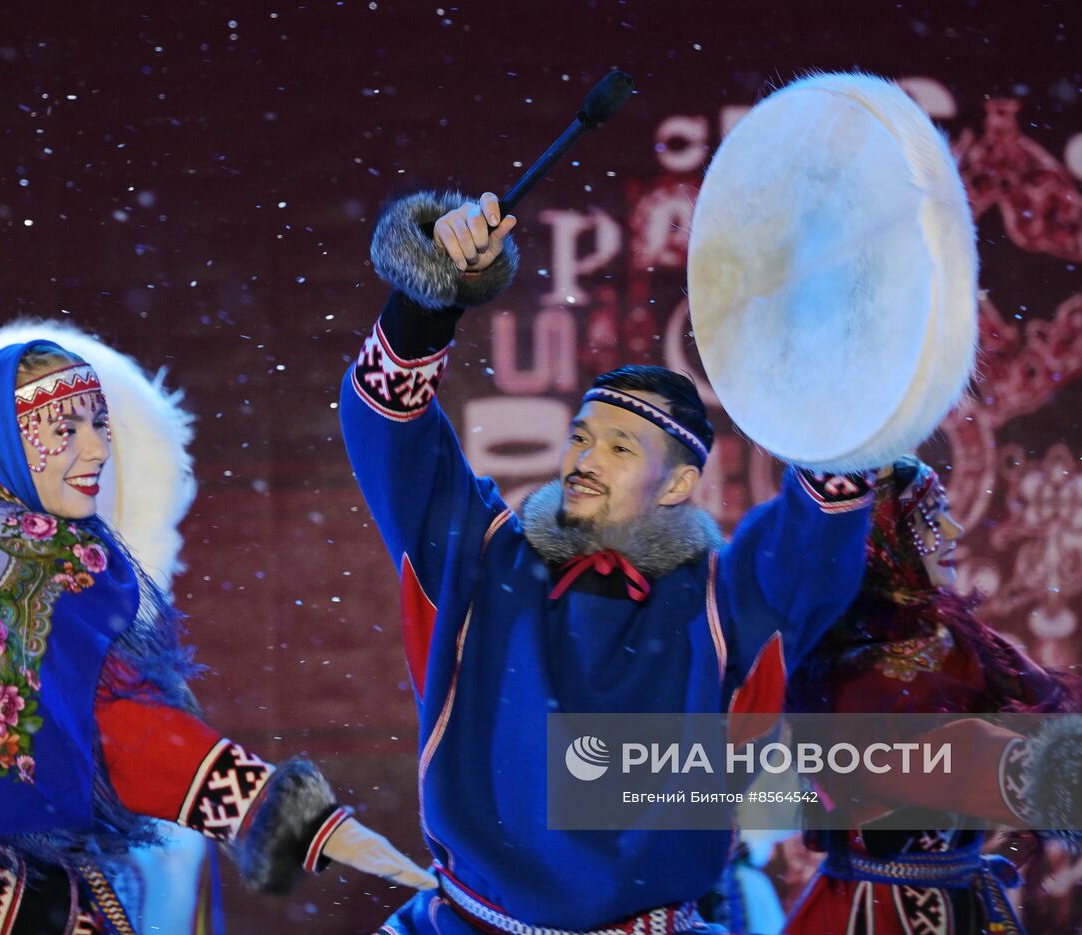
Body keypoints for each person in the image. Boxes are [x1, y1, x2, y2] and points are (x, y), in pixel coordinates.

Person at [343, 189, 877, 934]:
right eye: (582, 437)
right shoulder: (482, 557)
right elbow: (387, 423)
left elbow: (818, 539)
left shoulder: (724, 600)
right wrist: (428, 296)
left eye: (621, 447)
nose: (585, 460)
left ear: (681, 484)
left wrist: (842, 368)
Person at [0, 340, 434, 933]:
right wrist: (279, 814)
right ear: (3, 438)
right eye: (64, 429)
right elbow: (119, 724)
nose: (98, 449)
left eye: (99, 424)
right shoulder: (16, 571)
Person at [779, 455, 1082, 935]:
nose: (952, 528)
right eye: (929, 518)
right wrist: (1064, 777)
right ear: (884, 538)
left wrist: (1011, 850)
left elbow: (1045, 718)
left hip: (970, 902)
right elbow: (926, 763)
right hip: (869, 910)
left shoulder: (963, 641)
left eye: (945, 511)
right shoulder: (835, 662)